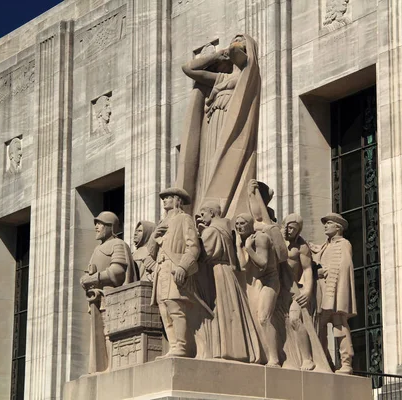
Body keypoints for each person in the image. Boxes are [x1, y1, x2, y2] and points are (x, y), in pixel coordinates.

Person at [176, 34, 260, 217]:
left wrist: (236, 47)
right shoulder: (221, 78)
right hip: (213, 126)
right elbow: (188, 68)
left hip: (231, 128)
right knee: (207, 171)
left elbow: (237, 53)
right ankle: (205, 213)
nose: (235, 42)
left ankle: (220, 213)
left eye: (240, 40)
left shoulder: (248, 76)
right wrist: (216, 55)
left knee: (222, 166)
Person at [196, 201, 262, 363]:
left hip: (216, 272)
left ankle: (225, 349)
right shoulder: (225, 230)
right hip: (226, 272)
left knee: (221, 309)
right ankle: (234, 349)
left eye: (203, 213)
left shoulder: (211, 231)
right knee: (229, 309)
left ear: (212, 213)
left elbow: (205, 253)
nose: (201, 217)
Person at [148, 187, 209, 358]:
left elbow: (193, 247)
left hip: (175, 268)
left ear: (177, 200)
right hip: (161, 270)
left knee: (175, 307)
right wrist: (154, 237)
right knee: (164, 309)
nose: (164, 201)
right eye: (164, 198)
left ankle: (182, 346)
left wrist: (184, 267)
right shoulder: (161, 224)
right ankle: (173, 345)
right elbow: (150, 252)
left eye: (168, 197)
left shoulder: (184, 219)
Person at [80, 211, 135, 373]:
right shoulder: (98, 248)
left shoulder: (117, 244)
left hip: (111, 296)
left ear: (110, 227)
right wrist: (85, 279)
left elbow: (118, 271)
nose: (97, 227)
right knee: (100, 333)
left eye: (101, 224)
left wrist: (95, 278)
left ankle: (112, 365)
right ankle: (102, 366)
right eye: (96, 223)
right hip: (97, 298)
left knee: (110, 332)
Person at [235, 213, 280, 367]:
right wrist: (238, 246)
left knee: (263, 317)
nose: (239, 226)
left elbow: (262, 263)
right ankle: (261, 354)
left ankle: (274, 358)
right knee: (253, 318)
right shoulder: (242, 241)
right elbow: (242, 265)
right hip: (255, 282)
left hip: (269, 281)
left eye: (242, 223)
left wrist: (248, 248)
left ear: (249, 224)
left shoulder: (260, 238)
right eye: (237, 224)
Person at [313, 213, 357, 374]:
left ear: (337, 227)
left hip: (335, 292)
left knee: (339, 325)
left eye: (329, 223)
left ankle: (346, 363)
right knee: (320, 326)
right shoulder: (325, 245)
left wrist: (328, 273)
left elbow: (344, 266)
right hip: (323, 293)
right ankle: (325, 361)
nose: (325, 226)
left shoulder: (343, 244)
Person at [282, 213, 316, 370]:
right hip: (280, 288)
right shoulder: (279, 240)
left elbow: (308, 269)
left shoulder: (302, 247)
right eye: (288, 227)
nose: (290, 230)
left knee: (295, 319)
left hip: (295, 289)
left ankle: (307, 358)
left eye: (294, 228)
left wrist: (308, 291)